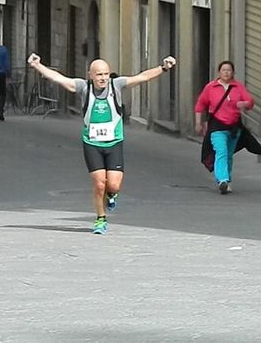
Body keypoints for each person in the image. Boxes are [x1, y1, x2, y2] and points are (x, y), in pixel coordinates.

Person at [27, 52, 177, 235]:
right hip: (92, 143)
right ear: (90, 75)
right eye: (99, 74)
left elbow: (142, 77)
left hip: (114, 143)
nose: (103, 78)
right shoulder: (83, 88)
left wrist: (163, 68)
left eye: (106, 74)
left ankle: (111, 195)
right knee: (99, 183)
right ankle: (100, 219)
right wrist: (37, 66)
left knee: (113, 186)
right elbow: (59, 78)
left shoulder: (117, 85)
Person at [195, 61, 261, 194]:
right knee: (221, 151)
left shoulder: (238, 87)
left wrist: (244, 104)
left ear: (233, 72)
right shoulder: (211, 87)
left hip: (234, 128)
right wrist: (198, 123)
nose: (226, 72)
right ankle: (222, 179)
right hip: (217, 126)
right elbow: (200, 105)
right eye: (223, 70)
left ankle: (226, 180)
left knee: (228, 155)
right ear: (219, 72)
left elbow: (250, 102)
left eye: (229, 70)